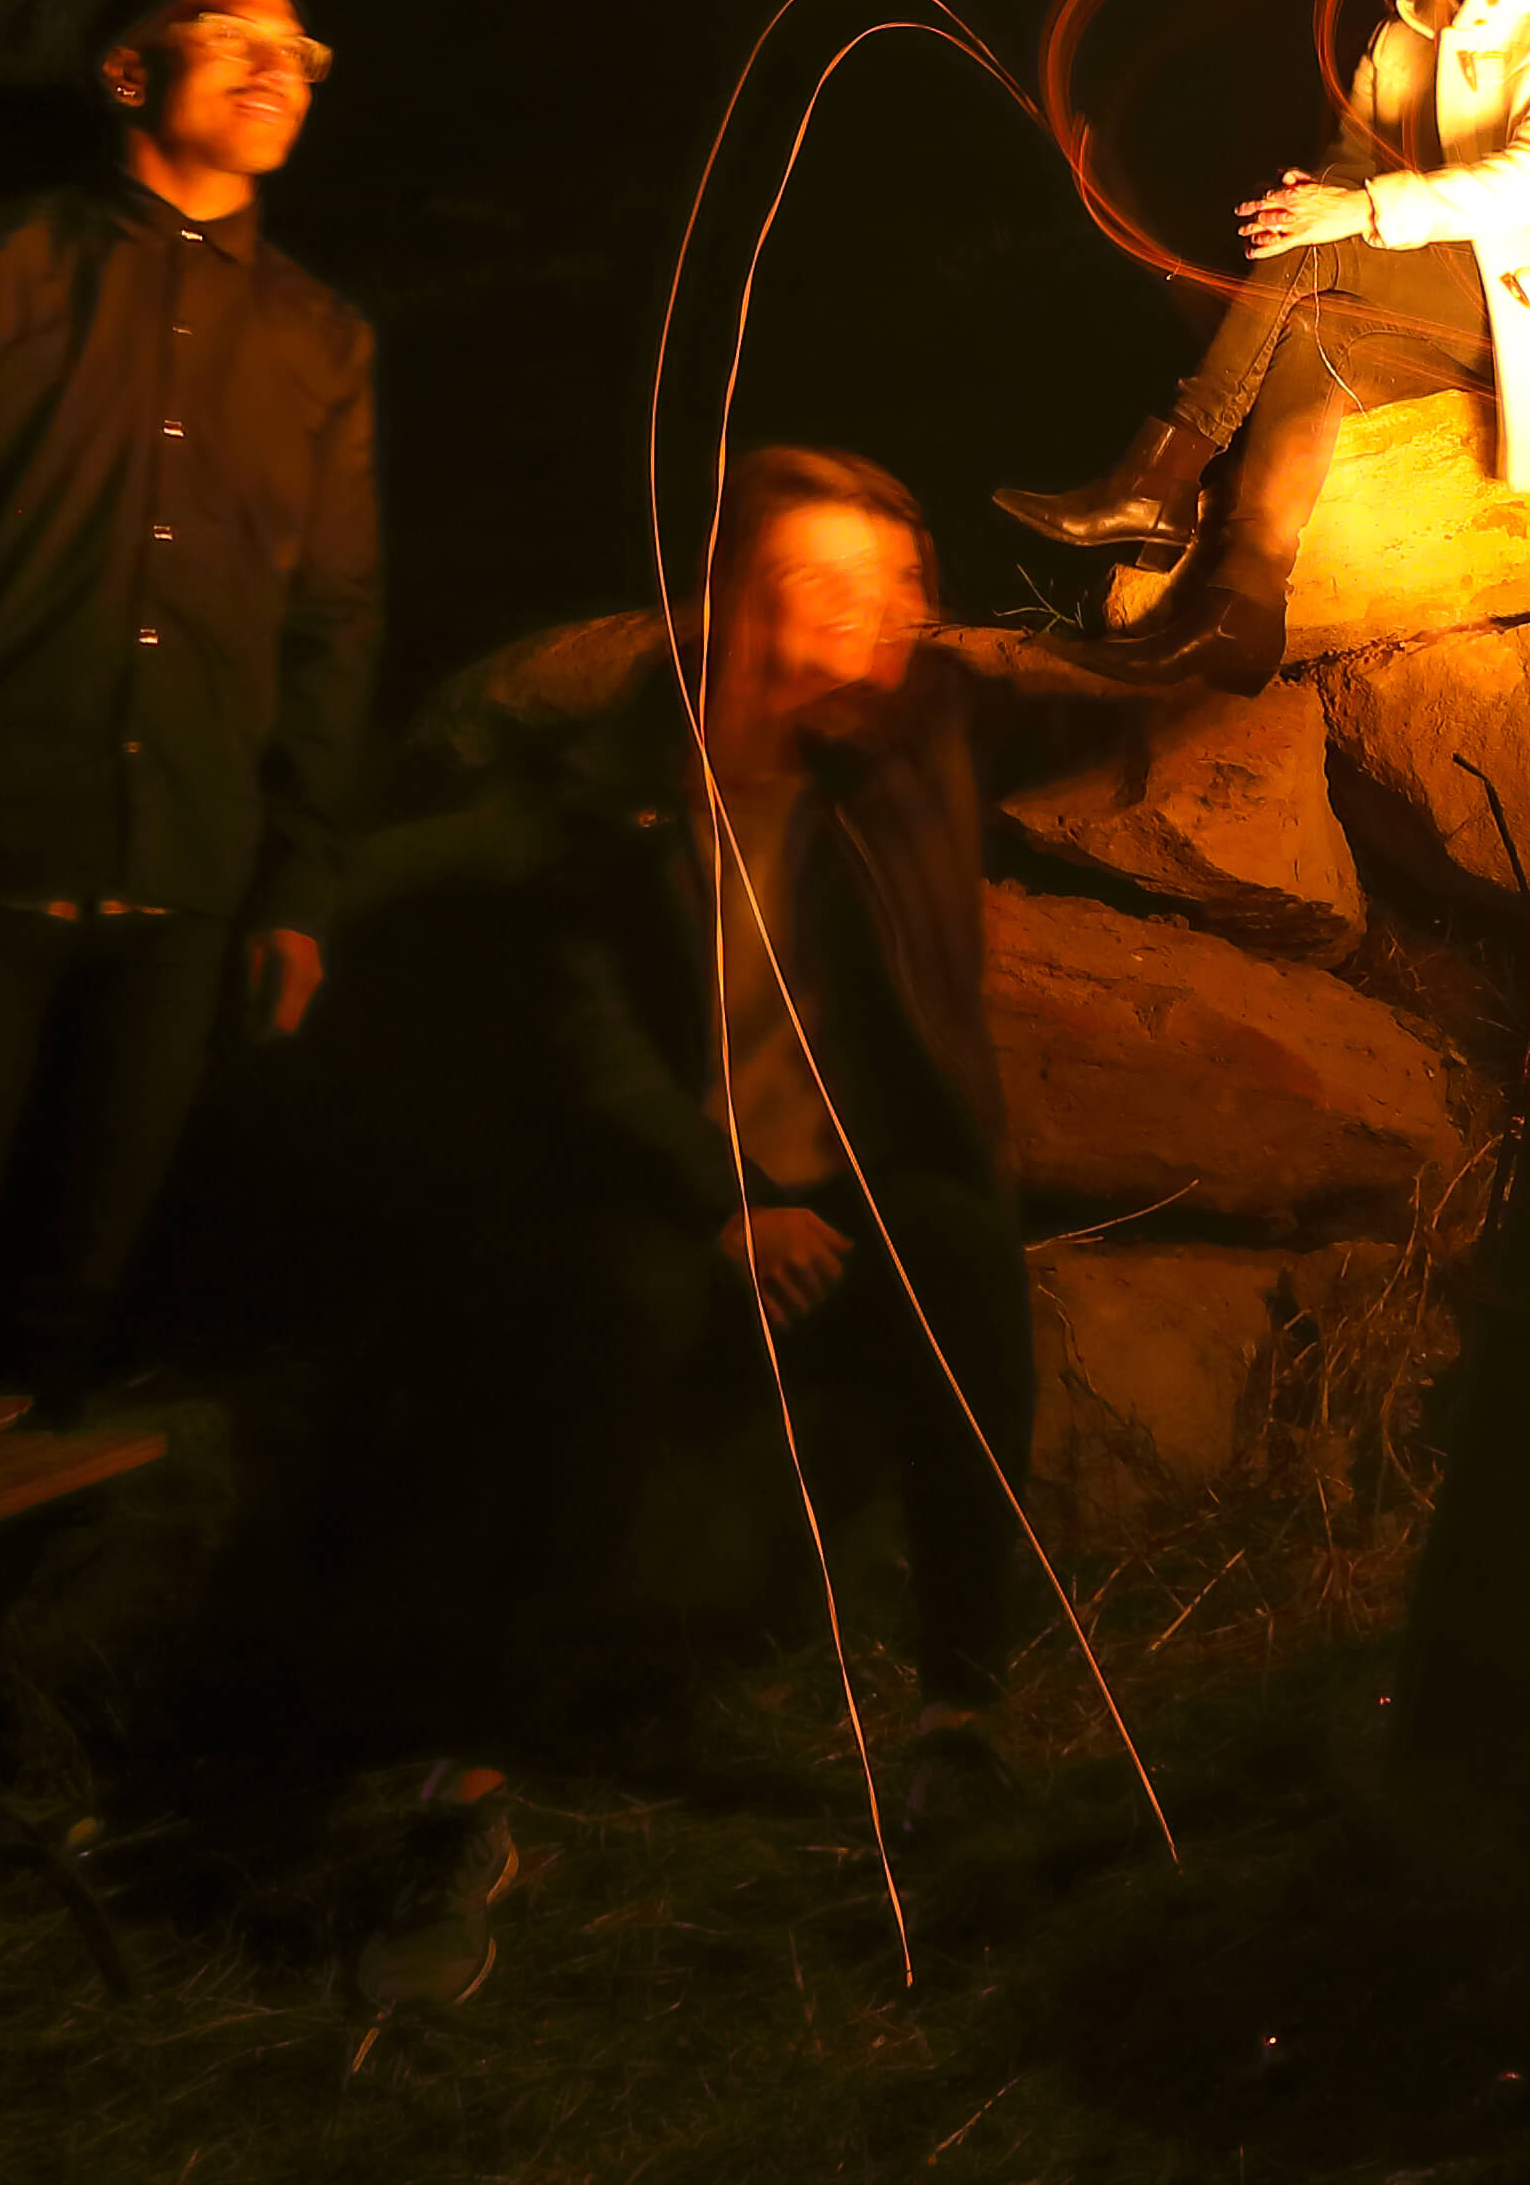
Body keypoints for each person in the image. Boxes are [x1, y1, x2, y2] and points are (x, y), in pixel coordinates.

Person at [294, 452, 1108, 1772]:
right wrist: (724, 1198)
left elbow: (1146, 686)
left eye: (899, 583)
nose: (882, 612)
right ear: (736, 603)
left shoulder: (918, 749)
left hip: (857, 1173)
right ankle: (483, 1738)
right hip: (675, 1182)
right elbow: (592, 1040)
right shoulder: (624, 795)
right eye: (830, 585)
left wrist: (1241, 563)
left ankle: (962, 1705)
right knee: (620, 1311)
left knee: (958, 1249)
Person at [0, 0, 377, 1405]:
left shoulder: (321, 339)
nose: (270, 65)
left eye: (296, 51)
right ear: (130, 69)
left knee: (77, 1288)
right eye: (225, 33)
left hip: (185, 886)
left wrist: (299, 881)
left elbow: (335, 623)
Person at [994, 0, 1530, 690]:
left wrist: (1350, 209)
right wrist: (1309, 201)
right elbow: (1352, 161)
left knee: (1321, 249)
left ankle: (1163, 468)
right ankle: (1241, 606)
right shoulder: (1405, 33)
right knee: (1318, 323)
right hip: (1423, 305)